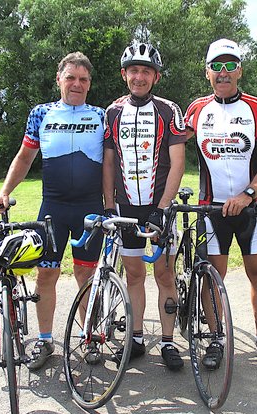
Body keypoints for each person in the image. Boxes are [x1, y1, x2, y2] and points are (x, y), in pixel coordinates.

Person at [0, 52, 105, 369]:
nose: (77, 84)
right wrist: (5, 191)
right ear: (59, 79)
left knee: (87, 275)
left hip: (89, 209)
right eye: (71, 77)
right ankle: (44, 340)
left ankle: (90, 337)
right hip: (53, 208)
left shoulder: (100, 115)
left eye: (83, 79)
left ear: (89, 83)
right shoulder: (41, 114)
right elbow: (25, 157)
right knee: (47, 275)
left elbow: (112, 162)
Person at [184, 38, 257, 367]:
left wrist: (247, 195)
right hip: (211, 210)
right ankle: (216, 338)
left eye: (230, 66)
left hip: (252, 209)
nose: (223, 73)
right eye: (217, 66)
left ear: (239, 69)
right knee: (212, 277)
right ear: (207, 72)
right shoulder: (196, 110)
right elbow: (169, 147)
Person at [102, 42, 187, 370]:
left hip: (159, 208)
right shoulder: (112, 112)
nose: (139, 77)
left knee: (164, 275)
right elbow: (109, 161)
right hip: (126, 208)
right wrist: (110, 205)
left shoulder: (169, 110)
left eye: (146, 71)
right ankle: (136, 338)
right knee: (134, 275)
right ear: (125, 75)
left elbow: (177, 163)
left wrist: (163, 207)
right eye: (134, 71)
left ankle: (167, 342)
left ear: (156, 76)